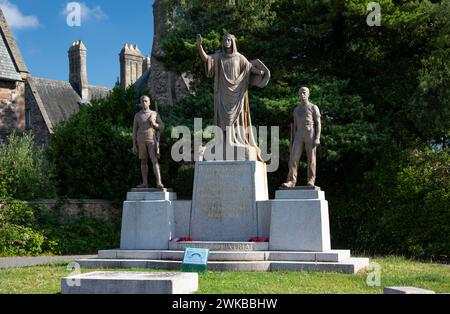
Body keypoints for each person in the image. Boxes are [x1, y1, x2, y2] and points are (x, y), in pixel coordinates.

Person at [196, 33, 268, 161]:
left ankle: (233, 141)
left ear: (233, 42)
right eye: (224, 40)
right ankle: (224, 142)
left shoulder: (239, 57)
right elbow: (206, 58)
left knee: (234, 118)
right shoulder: (219, 56)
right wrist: (199, 46)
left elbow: (250, 68)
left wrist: (261, 72)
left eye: (229, 39)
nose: (226, 42)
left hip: (237, 93)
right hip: (222, 93)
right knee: (223, 118)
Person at [282, 87, 321, 187]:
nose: (302, 95)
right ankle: (291, 180)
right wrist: (292, 142)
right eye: (300, 93)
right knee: (293, 159)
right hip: (299, 135)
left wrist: (317, 137)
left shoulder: (313, 107)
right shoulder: (296, 110)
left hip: (310, 133)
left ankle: (311, 180)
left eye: (304, 93)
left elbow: (318, 123)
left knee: (311, 158)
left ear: (308, 94)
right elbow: (294, 127)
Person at [132, 95, 164, 188]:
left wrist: (155, 124)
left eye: (146, 101)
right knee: (143, 161)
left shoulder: (154, 114)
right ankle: (145, 183)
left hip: (151, 139)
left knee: (154, 160)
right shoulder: (137, 115)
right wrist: (134, 144)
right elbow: (134, 130)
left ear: (149, 102)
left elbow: (162, 126)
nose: (144, 103)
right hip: (141, 140)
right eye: (142, 101)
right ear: (140, 103)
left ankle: (159, 182)